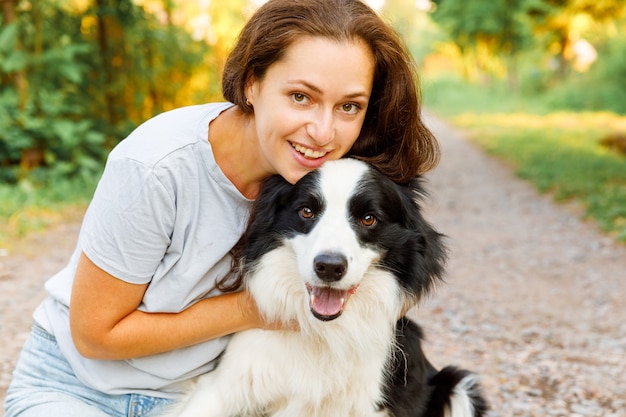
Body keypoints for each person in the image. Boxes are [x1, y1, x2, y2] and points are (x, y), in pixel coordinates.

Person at [4, 0, 439, 416]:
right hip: (81, 390)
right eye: (301, 97)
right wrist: (256, 309)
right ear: (252, 83)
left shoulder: (333, 175)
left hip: (208, 393)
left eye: (349, 106)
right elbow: (94, 336)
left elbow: (401, 262)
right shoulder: (157, 167)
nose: (324, 131)